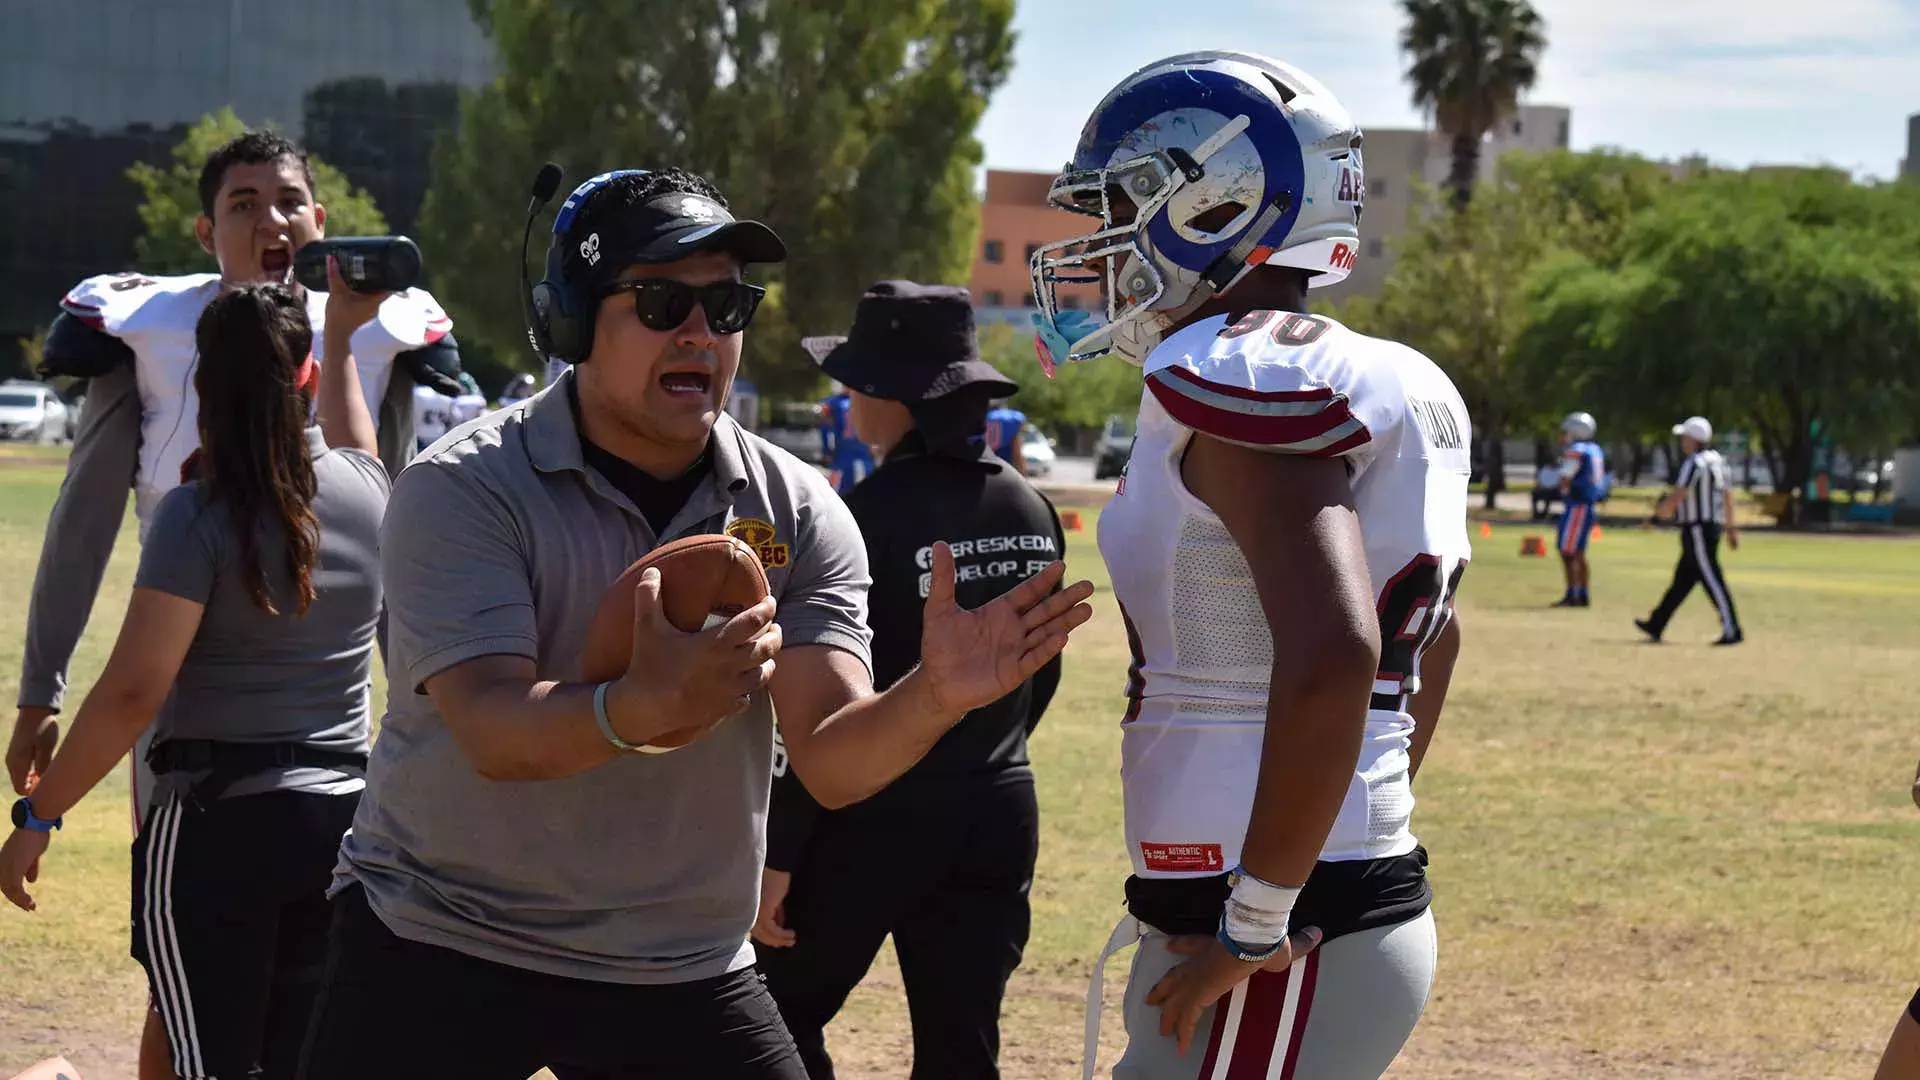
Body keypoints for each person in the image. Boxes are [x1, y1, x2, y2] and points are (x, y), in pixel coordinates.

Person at [297, 167, 1094, 1080]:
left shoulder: (799, 509)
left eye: (726, 305)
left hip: (675, 959)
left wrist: (935, 696)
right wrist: (638, 707)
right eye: (662, 299)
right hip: (442, 930)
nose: (700, 333)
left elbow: (832, 760)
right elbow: (492, 730)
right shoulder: (464, 486)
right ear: (571, 320)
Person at [1030, 52, 1470, 1079]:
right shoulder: (1374, 371)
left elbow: (1338, 649)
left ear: (1215, 203)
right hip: (1292, 896)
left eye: (1123, 203)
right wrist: (1347, 818)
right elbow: (1434, 643)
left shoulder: (1233, 370)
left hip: (1281, 930)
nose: (1098, 241)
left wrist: (1259, 915)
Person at [4, 128, 463, 1079]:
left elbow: (134, 687)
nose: (270, 220)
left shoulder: (192, 514)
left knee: (199, 1008)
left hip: (208, 796)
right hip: (341, 789)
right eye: (244, 203)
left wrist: (39, 817)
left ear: (198, 385)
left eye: (287, 200)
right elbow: (372, 475)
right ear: (208, 226)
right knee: (290, 1031)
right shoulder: (364, 482)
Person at [760, 282, 1067, 1079]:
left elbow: (813, 710)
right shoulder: (1029, 505)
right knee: (962, 1047)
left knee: (775, 1015)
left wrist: (778, 852)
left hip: (874, 813)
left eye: (855, 381)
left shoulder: (861, 515)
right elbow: (1042, 674)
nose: (847, 398)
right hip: (999, 803)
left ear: (888, 396)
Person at [1636, 415, 1743, 645]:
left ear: (1694, 440)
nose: (1682, 441)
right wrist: (1731, 528)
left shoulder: (1695, 463)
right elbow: (1728, 497)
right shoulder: (1719, 461)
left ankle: (1732, 628)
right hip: (1709, 527)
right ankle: (1657, 622)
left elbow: (1679, 495)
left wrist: (1656, 517)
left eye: (1685, 437)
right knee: (1683, 580)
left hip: (1697, 529)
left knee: (1712, 578)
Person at [1553, 411, 1605, 608]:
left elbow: (1566, 476)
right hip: (1588, 505)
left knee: (1568, 550)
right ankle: (1581, 593)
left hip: (1577, 505)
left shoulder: (1577, 450)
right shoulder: (1594, 449)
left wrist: (1563, 489)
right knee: (1578, 551)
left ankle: (1574, 594)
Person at [817, 381, 874, 494]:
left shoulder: (865, 401)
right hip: (845, 450)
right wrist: (826, 449)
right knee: (838, 488)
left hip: (861, 450)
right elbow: (825, 428)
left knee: (867, 484)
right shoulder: (834, 402)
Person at [984, 398, 1029, 476]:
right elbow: (1017, 453)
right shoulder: (1012, 418)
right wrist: (1023, 473)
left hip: (981, 470)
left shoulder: (978, 418)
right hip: (1005, 470)